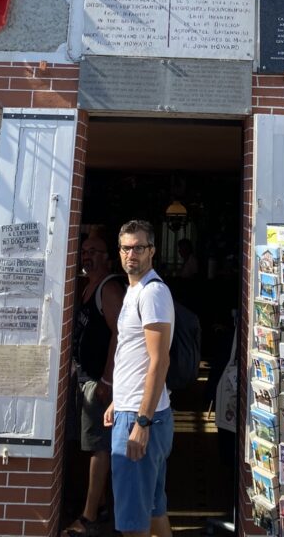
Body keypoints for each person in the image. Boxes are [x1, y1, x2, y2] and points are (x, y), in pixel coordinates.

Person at [103, 220, 175, 537]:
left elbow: (160, 361)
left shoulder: (152, 292)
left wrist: (141, 423)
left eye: (139, 247)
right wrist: (119, 399)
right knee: (153, 511)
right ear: (119, 252)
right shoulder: (134, 290)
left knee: (134, 525)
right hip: (132, 409)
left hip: (142, 419)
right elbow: (134, 354)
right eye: (126, 247)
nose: (132, 254)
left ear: (152, 251)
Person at [63, 229, 125, 537]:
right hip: (82, 376)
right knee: (88, 444)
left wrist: (107, 380)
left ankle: (88, 517)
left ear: (108, 258)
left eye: (95, 251)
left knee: (99, 445)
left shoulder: (109, 288)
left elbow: (121, 334)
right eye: (84, 250)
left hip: (98, 382)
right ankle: (97, 505)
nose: (88, 255)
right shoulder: (86, 287)